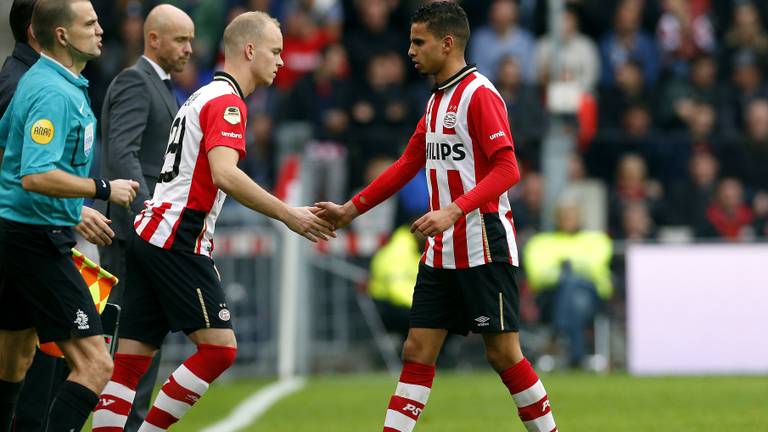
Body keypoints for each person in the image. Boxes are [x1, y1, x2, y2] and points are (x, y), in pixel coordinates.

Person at [316, 3, 557, 431]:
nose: (410, 50)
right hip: (442, 249)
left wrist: (453, 209)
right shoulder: (436, 100)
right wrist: (349, 210)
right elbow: (407, 163)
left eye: (418, 41)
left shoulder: (479, 94)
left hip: (483, 241)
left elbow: (509, 169)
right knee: (417, 349)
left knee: (503, 355)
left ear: (447, 44)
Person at [91, 11, 335, 431]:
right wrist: (288, 214)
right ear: (249, 50)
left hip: (150, 232)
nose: (281, 60)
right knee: (219, 350)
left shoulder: (199, 96)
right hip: (178, 236)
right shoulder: (228, 103)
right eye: (276, 51)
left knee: (129, 363)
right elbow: (224, 174)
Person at [0, 0, 140, 431]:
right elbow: (36, 176)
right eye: (90, 23)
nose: (102, 30)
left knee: (15, 361)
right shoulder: (50, 92)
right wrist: (102, 190)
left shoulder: (58, 82)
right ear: (61, 35)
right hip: (35, 239)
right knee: (96, 365)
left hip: (24, 233)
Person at [95, 4, 194, 430]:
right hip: (133, 235)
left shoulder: (161, 86)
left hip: (142, 233)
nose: (190, 48)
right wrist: (149, 219)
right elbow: (122, 156)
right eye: (180, 40)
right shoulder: (136, 81)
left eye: (191, 39)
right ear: (153, 39)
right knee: (126, 347)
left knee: (141, 345)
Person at [523, 201, 612, 368]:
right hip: (550, 298)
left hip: (592, 296)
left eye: (572, 216)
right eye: (564, 216)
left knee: (572, 285)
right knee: (571, 289)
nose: (568, 219)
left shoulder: (597, 239)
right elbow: (537, 275)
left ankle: (556, 334)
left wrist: (563, 265)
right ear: (556, 218)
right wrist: (573, 268)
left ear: (580, 217)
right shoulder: (540, 241)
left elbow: (595, 267)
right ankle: (577, 356)